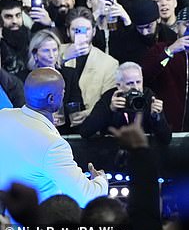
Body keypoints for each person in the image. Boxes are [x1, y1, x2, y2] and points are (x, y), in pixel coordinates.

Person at [0, 67, 108, 207]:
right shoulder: (53, 145)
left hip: (7, 218)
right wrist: (101, 181)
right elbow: (86, 197)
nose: (64, 94)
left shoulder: (4, 116)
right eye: (62, 91)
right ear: (51, 98)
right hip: (38, 223)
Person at [142, 7, 189, 132]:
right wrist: (170, 52)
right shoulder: (161, 49)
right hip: (168, 128)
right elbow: (147, 74)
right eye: (186, 24)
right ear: (176, 27)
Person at [79, 62, 171, 145]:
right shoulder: (110, 97)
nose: (136, 87)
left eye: (138, 82)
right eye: (130, 83)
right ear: (119, 85)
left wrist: (157, 117)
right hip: (113, 152)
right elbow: (85, 131)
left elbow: (166, 139)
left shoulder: (149, 96)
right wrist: (109, 110)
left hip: (143, 151)